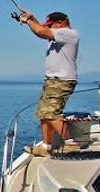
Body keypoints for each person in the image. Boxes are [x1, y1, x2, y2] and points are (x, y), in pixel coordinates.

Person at [18, 11, 80, 157]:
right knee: (43, 114)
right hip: (52, 80)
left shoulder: (68, 34)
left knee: (52, 113)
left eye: (51, 25)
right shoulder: (58, 35)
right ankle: (47, 147)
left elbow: (41, 31)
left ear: (61, 22)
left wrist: (28, 21)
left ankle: (71, 143)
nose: (50, 28)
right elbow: (41, 32)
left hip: (62, 81)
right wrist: (31, 19)